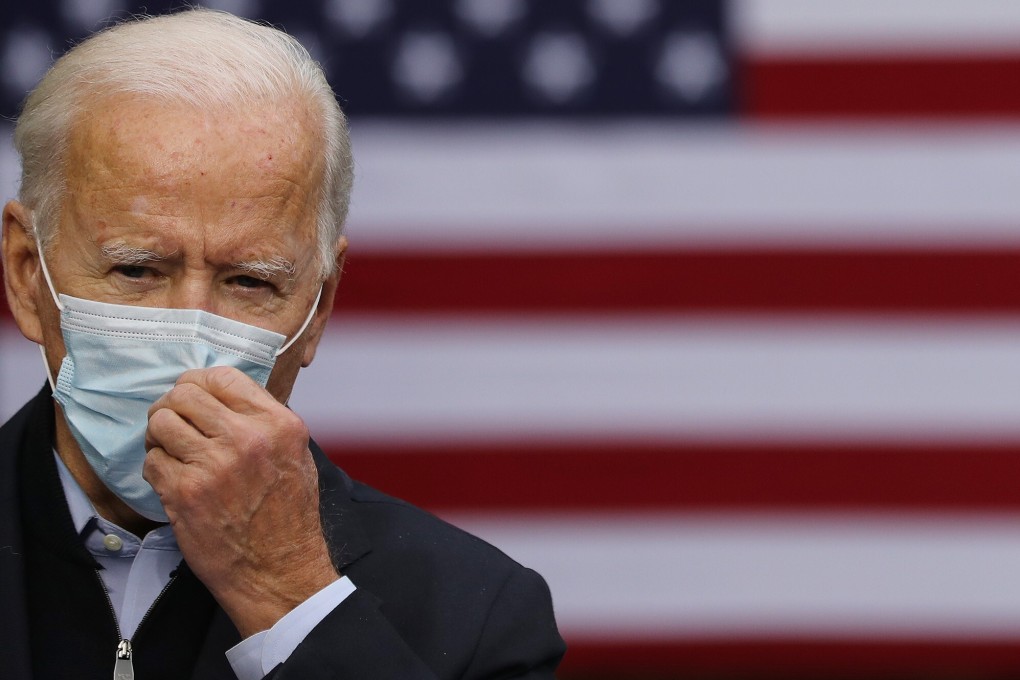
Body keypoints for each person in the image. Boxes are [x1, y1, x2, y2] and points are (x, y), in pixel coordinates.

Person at [0, 8, 564, 679]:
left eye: (249, 281)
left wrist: (291, 598)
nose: (191, 339)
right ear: (27, 274)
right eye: (137, 269)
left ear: (318, 308)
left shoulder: (475, 616)